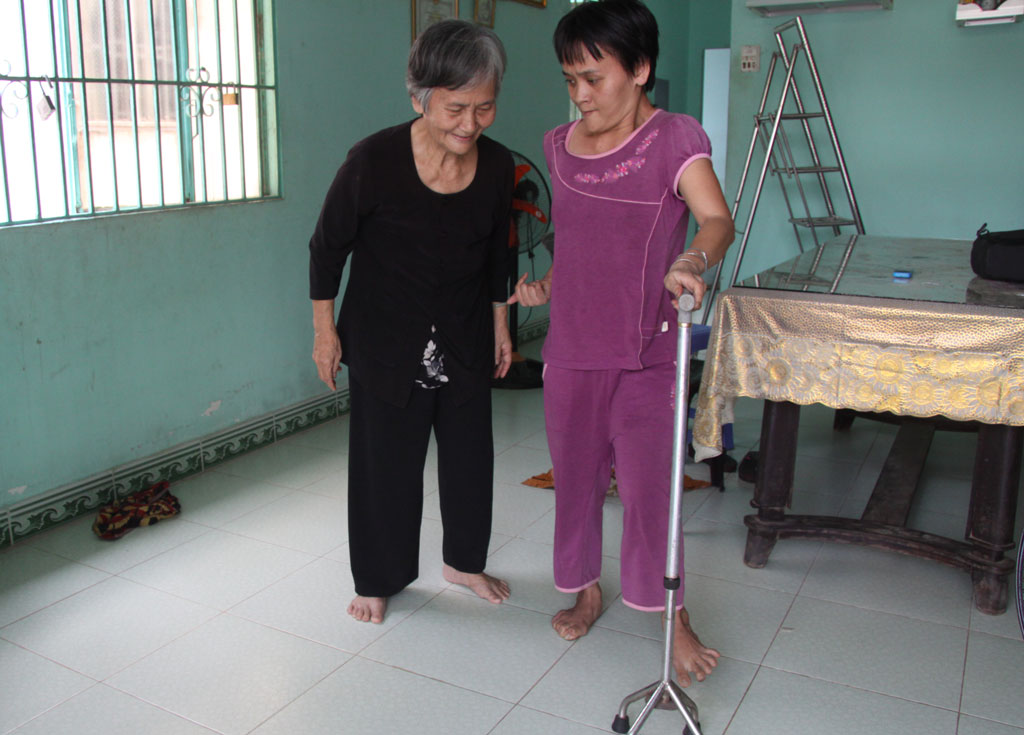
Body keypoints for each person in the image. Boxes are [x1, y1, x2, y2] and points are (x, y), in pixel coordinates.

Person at [509, 0, 734, 687]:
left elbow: (715, 219)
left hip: (647, 353)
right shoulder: (558, 146)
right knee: (575, 481)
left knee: (648, 490)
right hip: (572, 350)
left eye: (593, 78)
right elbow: (579, 240)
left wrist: (693, 259)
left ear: (639, 69)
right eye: (569, 79)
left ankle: (674, 617)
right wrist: (548, 285)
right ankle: (586, 590)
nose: (580, 94)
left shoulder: (674, 138)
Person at [309, 20, 514, 625]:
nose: (470, 124)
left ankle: (463, 563)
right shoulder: (373, 160)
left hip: (465, 334)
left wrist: (501, 325)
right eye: (456, 108)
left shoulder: (497, 165)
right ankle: (379, 578)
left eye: (484, 107)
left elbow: (498, 255)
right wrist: (325, 332)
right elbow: (327, 248)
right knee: (386, 467)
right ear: (419, 97)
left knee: (470, 460)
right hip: (386, 339)